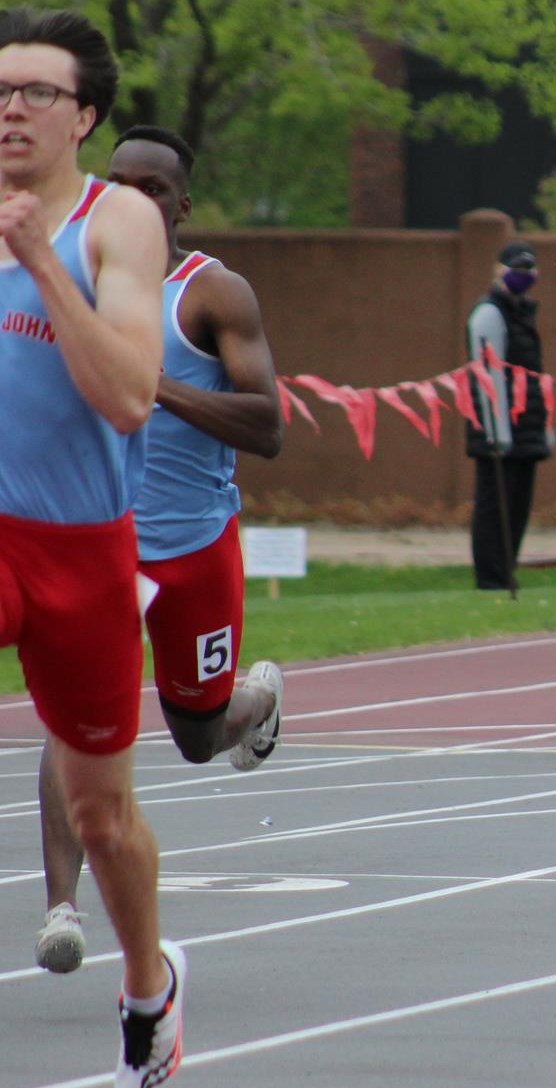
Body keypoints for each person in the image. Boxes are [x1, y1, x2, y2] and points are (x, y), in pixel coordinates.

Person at [33, 123, 286, 985]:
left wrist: (152, 383)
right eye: (119, 183)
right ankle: (62, 909)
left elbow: (268, 426)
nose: (132, 199)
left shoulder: (212, 295)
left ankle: (254, 700)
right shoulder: (68, 283)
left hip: (194, 550)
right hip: (100, 540)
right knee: (72, 717)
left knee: (196, 734)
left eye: (152, 188)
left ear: (181, 206)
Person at [0, 10, 187, 1085]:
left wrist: (39, 262)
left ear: (85, 116)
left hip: (81, 550)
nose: (12, 110)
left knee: (100, 817)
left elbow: (127, 398)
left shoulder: (117, 223)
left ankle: (149, 991)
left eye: (36, 93)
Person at [465, 238, 552, 590]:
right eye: (516, 268)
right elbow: (489, 378)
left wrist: (542, 426)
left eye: (528, 268)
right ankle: (491, 579)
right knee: (494, 507)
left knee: (517, 507)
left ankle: (506, 571)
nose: (523, 274)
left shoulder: (523, 314)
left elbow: (533, 378)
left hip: (526, 427)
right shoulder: (489, 314)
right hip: (499, 432)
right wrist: (496, 430)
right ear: (499, 271)